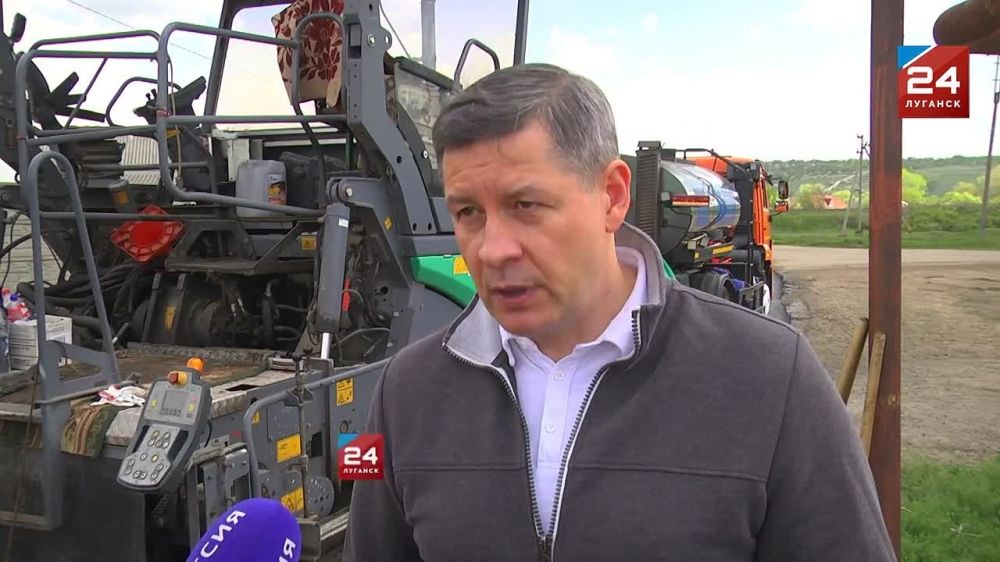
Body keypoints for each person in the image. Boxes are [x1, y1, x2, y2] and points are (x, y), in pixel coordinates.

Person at [341, 63, 896, 561]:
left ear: (612, 195)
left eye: (526, 205)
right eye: (468, 212)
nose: (492, 249)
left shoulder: (770, 376)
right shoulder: (408, 391)